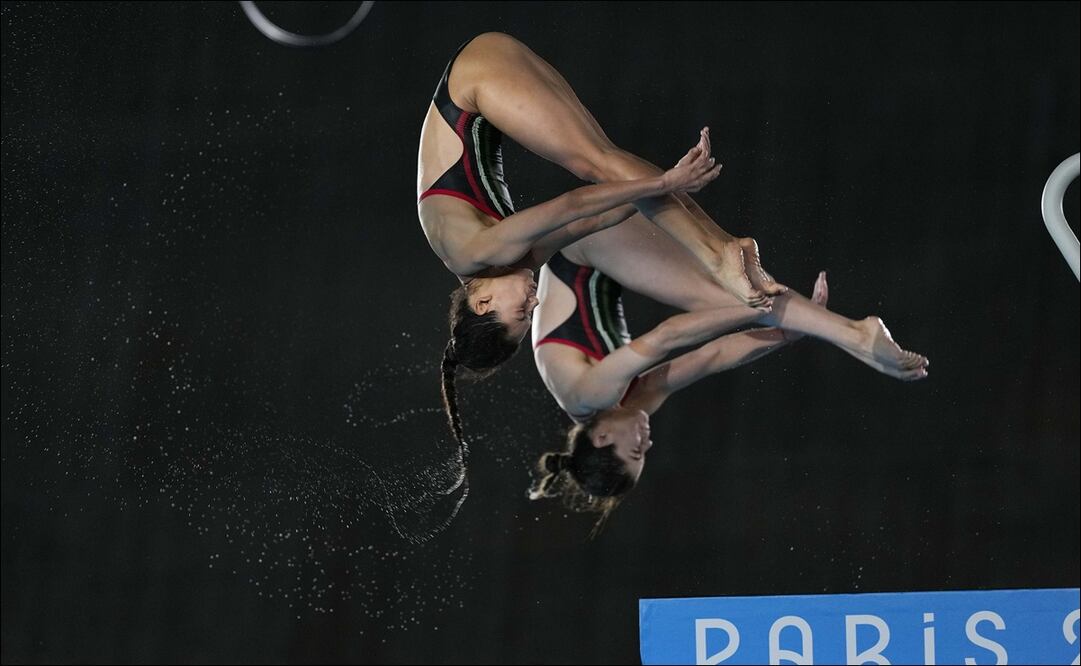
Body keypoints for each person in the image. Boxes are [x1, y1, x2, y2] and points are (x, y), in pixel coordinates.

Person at [527, 235, 928, 533]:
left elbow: (669, 336)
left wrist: (754, 312)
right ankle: (845, 334)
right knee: (740, 295)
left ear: (600, 440)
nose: (647, 441)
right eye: (644, 452)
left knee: (730, 300)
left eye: (635, 448)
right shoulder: (629, 407)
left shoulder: (589, 395)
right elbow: (711, 357)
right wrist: (785, 335)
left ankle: (854, 335)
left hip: (583, 245)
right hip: (608, 256)